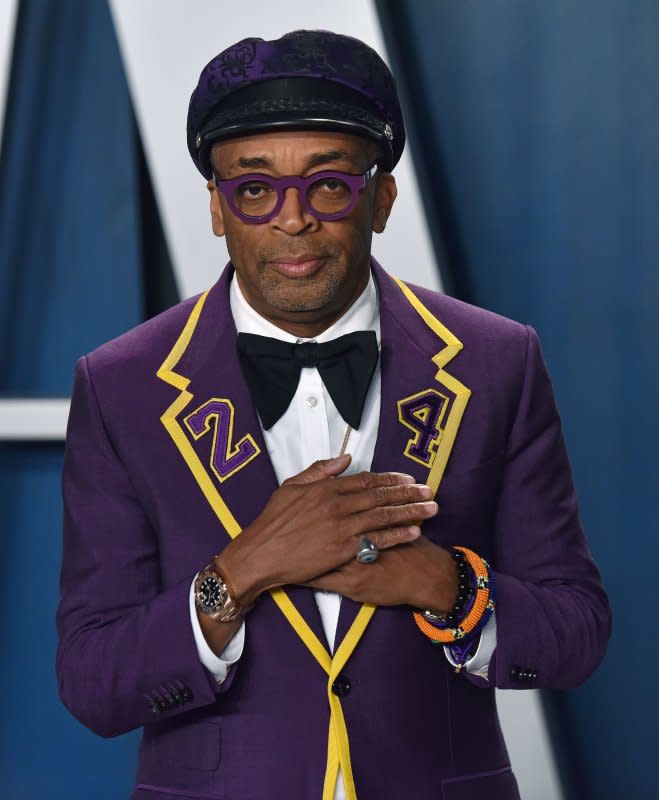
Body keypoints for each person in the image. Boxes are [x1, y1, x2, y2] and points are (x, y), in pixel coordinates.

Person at [56, 30, 610, 800]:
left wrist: (445, 586)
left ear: (379, 198)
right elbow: (94, 681)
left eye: (327, 185)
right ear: (217, 208)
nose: (292, 222)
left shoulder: (495, 362)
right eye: (254, 188)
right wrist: (241, 571)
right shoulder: (123, 385)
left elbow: (574, 635)